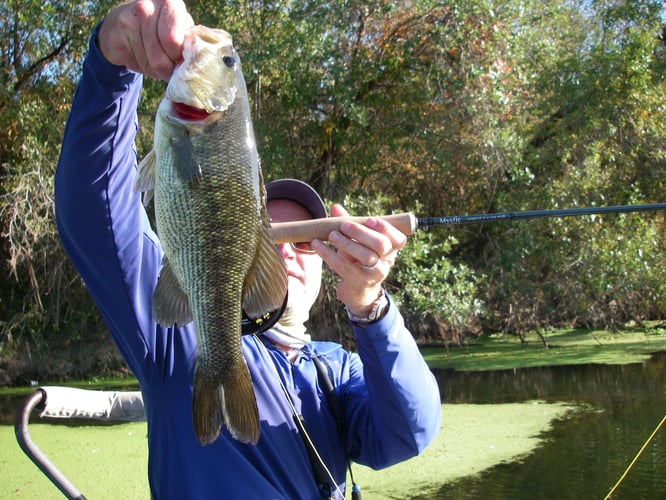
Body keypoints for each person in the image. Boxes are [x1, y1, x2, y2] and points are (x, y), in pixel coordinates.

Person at [54, 1, 441, 498]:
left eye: (301, 240)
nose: (283, 251)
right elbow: (94, 209)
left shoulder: (334, 371)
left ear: (327, 265)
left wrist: (371, 309)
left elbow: (408, 432)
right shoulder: (178, 340)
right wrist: (111, 69)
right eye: (264, 235)